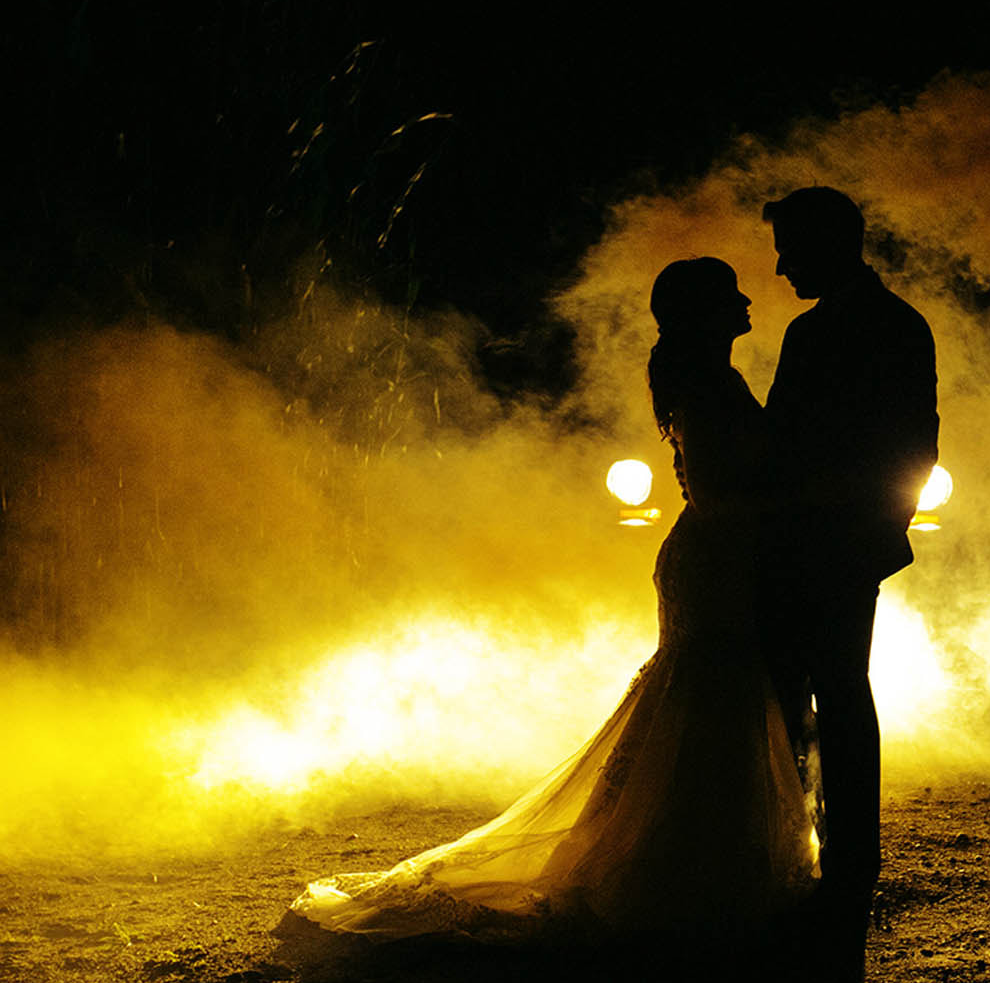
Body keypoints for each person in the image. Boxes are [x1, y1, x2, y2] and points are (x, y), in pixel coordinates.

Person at [289, 259, 818, 940]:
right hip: (719, 555)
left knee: (704, 700)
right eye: (729, 293)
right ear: (704, 310)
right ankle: (693, 871)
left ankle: (695, 860)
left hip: (712, 551)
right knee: (713, 696)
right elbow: (722, 488)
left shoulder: (700, 377)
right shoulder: (709, 382)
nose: (747, 299)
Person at [761, 187, 938, 904]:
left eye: (789, 251)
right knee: (837, 690)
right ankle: (843, 853)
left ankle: (817, 846)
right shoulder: (901, 324)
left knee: (808, 692)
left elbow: (780, 442)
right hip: (848, 539)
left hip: (816, 539)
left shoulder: (817, 334)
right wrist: (882, 530)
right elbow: (916, 444)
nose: (779, 269)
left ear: (826, 245)